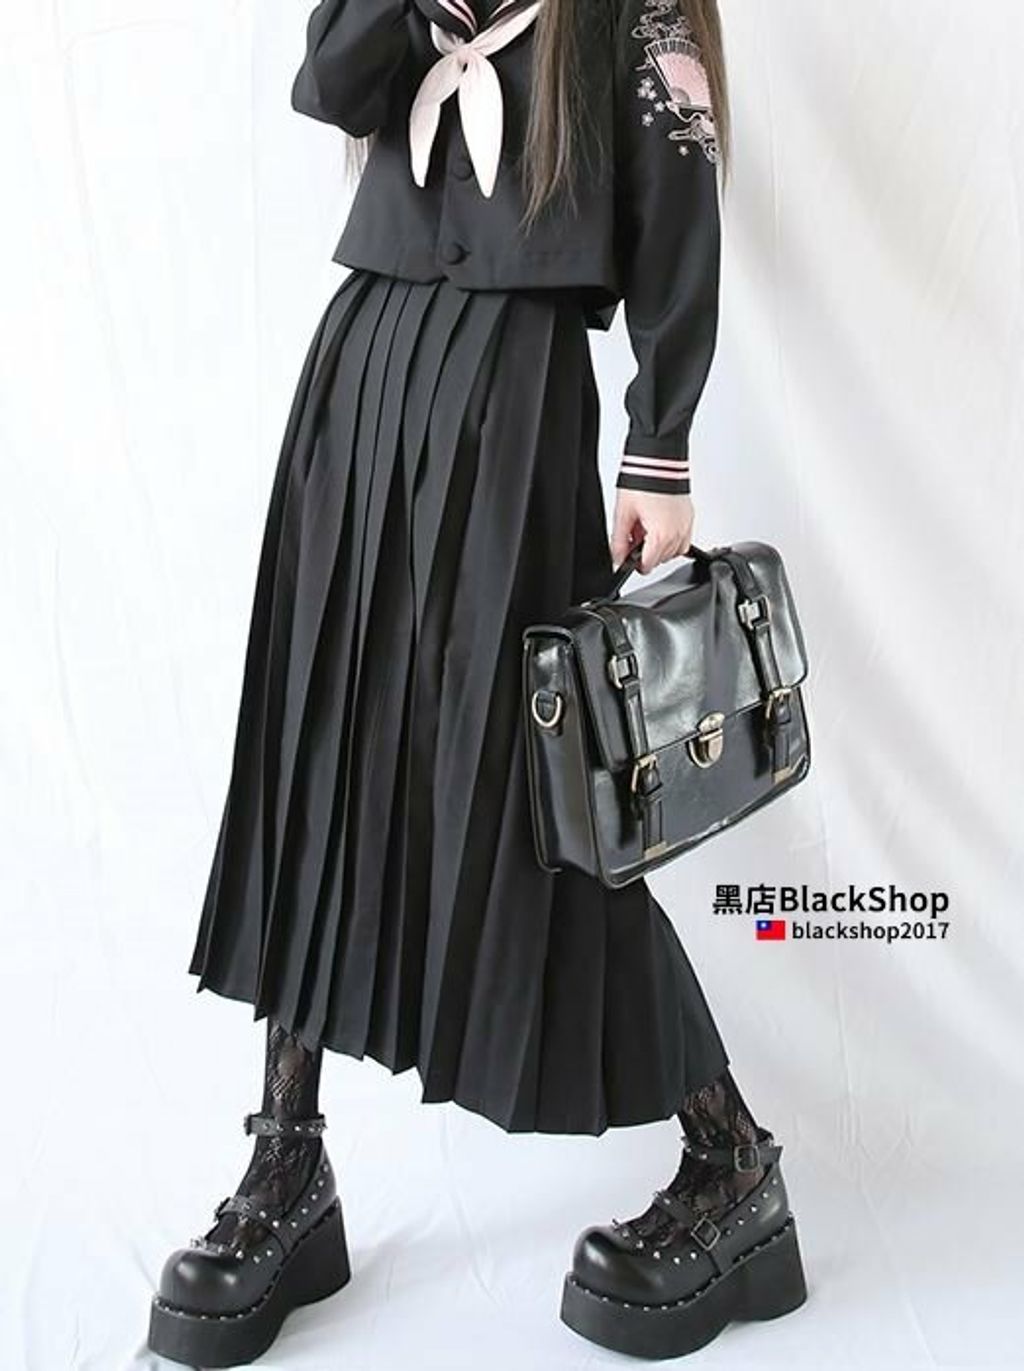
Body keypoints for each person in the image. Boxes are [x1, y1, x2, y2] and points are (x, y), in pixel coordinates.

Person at [147, 0, 808, 1363]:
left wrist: (661, 442)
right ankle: (288, 1156)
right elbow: (333, 79)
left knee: (539, 801)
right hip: (363, 369)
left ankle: (734, 1162)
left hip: (515, 395)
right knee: (321, 752)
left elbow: (681, 191)